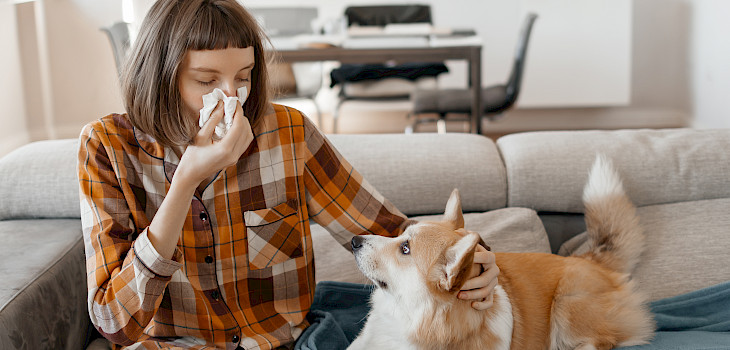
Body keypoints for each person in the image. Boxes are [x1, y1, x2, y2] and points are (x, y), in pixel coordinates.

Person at [77, 0, 499, 349]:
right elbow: (116, 322)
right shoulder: (107, 148)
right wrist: (184, 182)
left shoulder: (287, 134)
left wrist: (475, 264)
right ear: (161, 78)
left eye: (243, 78)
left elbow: (391, 233)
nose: (231, 99)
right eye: (207, 81)